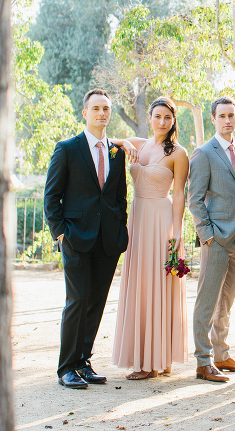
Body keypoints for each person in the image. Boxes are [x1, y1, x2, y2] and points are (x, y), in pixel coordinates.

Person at [44, 89, 130, 389]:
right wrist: (61, 233)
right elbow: (51, 196)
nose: (102, 113)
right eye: (96, 108)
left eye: (106, 108)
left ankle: (83, 361)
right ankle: (66, 367)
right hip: (76, 238)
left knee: (96, 302)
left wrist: (121, 228)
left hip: (108, 240)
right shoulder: (67, 148)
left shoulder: (117, 152)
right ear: (85, 113)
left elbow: (120, 197)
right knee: (77, 300)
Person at [111, 97, 190, 380]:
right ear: (150, 117)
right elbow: (111, 141)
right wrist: (125, 143)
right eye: (157, 116)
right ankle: (150, 356)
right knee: (142, 283)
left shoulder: (179, 153)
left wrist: (178, 231)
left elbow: (179, 193)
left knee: (159, 282)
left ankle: (155, 360)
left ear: (173, 121)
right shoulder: (140, 144)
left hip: (161, 218)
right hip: (138, 219)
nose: (161, 122)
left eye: (167, 117)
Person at [187, 96, 235, 382]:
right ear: (213, 119)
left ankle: (222, 354)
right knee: (207, 301)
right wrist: (207, 235)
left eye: (232, 115)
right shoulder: (204, 153)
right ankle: (203, 361)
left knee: (226, 303)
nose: (228, 120)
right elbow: (195, 199)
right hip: (217, 240)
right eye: (222, 116)